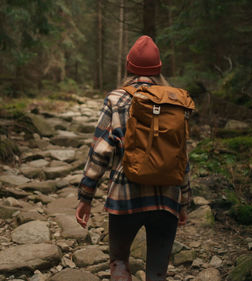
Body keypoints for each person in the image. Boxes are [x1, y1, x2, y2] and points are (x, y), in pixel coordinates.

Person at [75, 35, 191, 281]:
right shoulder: (176, 101)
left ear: (129, 67)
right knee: (157, 272)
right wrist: (185, 200)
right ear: (158, 68)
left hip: (125, 196)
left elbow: (99, 151)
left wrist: (86, 196)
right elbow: (182, 155)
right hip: (167, 197)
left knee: (119, 261)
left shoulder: (116, 99)